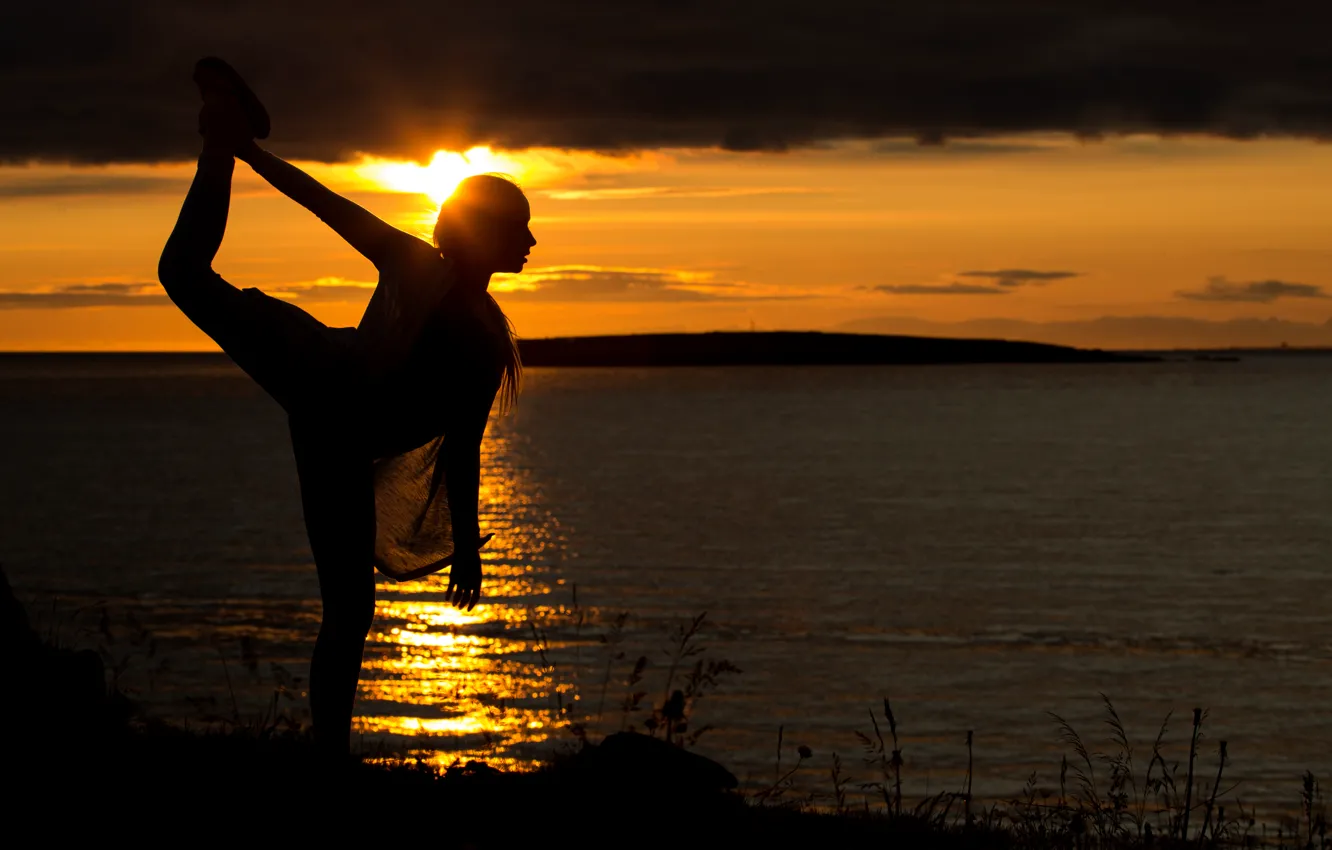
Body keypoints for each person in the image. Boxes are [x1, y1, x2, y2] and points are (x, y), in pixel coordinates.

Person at [157, 58, 533, 754]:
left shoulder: (486, 333)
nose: (534, 243)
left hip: (335, 429)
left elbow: (463, 444)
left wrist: (470, 551)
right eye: (522, 231)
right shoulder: (424, 273)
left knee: (350, 613)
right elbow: (326, 203)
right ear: (488, 234)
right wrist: (250, 153)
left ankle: (328, 753)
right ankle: (220, 128)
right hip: (319, 380)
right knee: (180, 273)